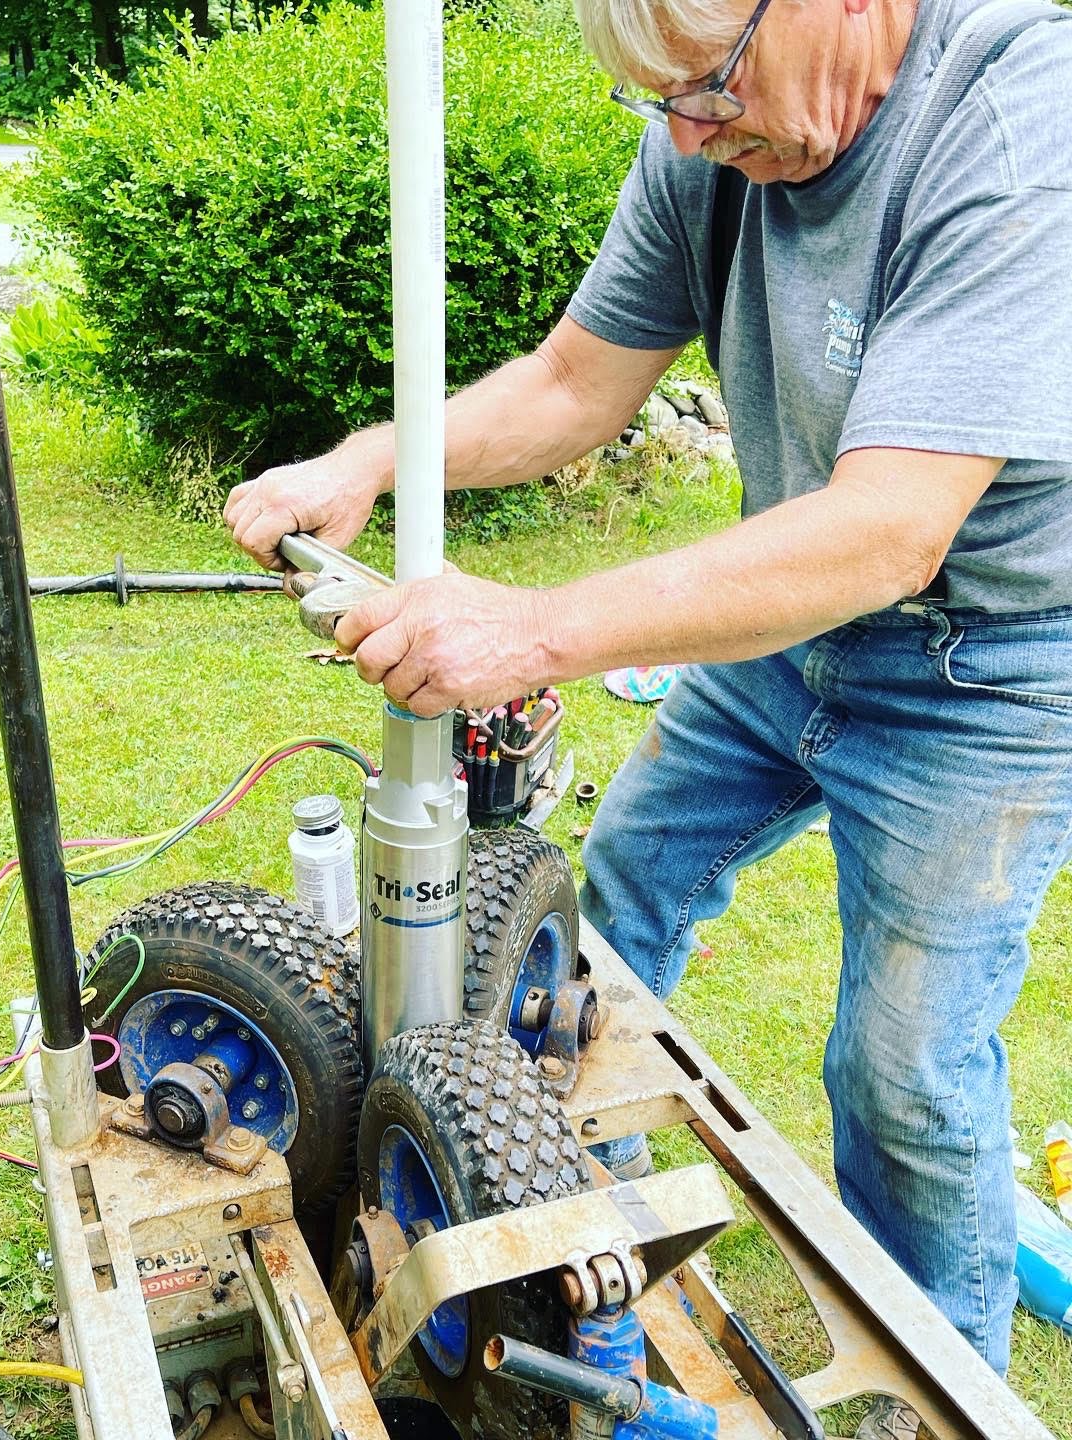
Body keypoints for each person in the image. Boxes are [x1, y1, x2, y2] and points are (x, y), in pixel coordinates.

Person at [225, 0, 1072, 1432]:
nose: (686, 130)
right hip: (784, 630)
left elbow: (888, 534)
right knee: (606, 902)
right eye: (662, 98)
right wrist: (369, 458)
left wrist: (535, 629)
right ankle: (572, 1225)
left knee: (904, 1066)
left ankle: (942, 1394)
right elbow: (574, 384)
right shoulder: (716, 122)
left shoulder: (1015, 122)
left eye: (709, 84)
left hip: (983, 674)